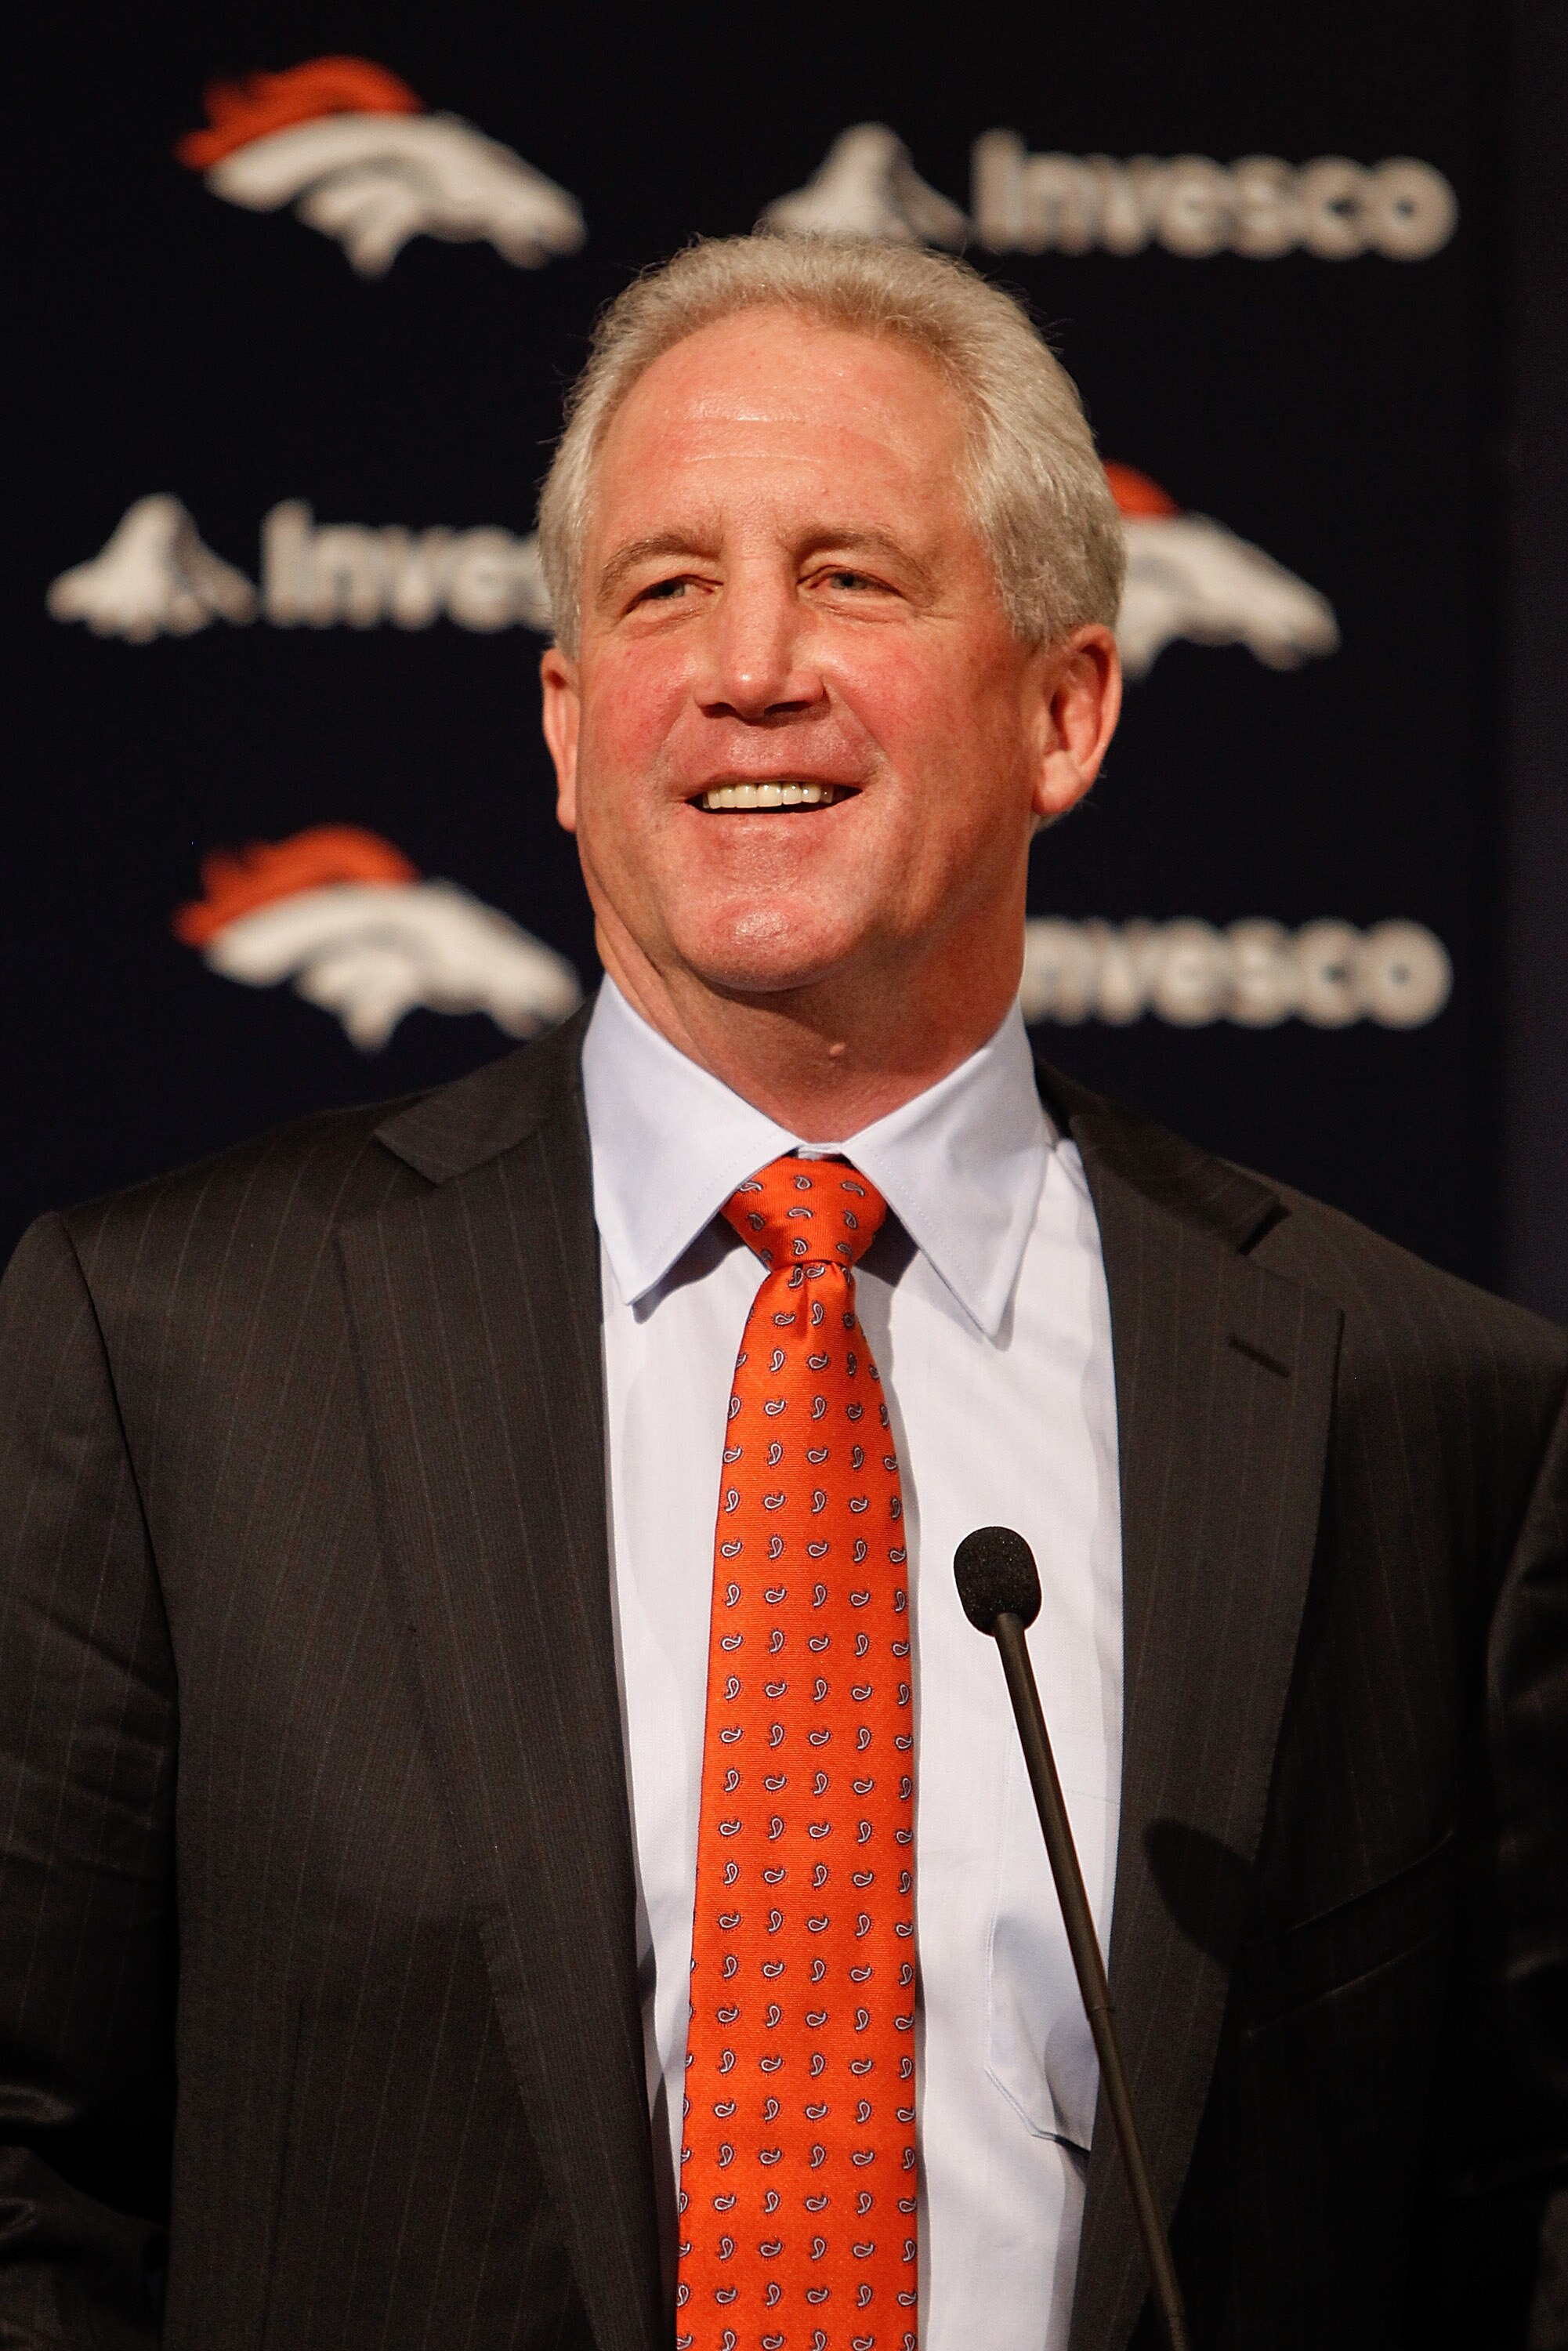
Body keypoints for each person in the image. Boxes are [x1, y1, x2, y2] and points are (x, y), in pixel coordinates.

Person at [0, 234, 1563, 2351]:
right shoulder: (171, 1348)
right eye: (661, 589)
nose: (751, 666)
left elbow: (1507, 2212)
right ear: (565, 728)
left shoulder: (1418, 1410)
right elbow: (36, 2171)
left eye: (848, 577)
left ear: (1063, 707)